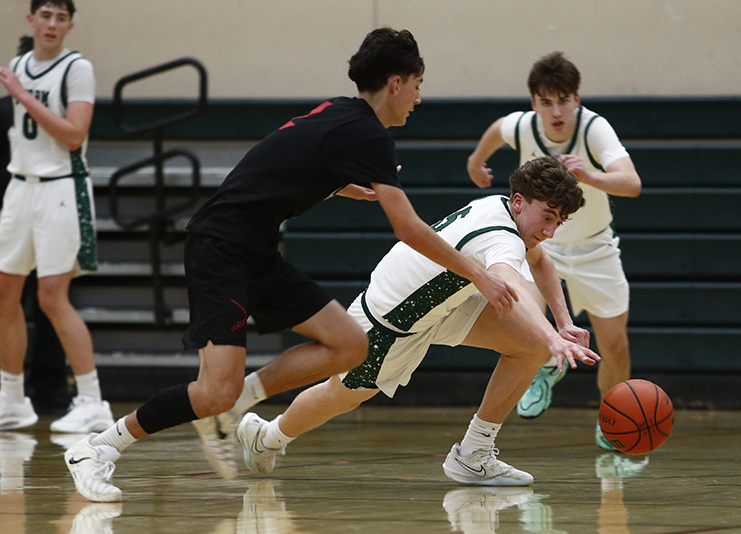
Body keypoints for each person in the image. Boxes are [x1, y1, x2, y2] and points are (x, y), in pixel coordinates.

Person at [64, 27, 518, 503]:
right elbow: (408, 228)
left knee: (349, 345)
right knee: (213, 391)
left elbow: (283, 161)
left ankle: (239, 402)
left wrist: (342, 185)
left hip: (255, 248)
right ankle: (98, 449)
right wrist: (479, 274)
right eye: (418, 85)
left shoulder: (342, 113)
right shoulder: (366, 132)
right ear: (396, 82)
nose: (419, 99)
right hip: (221, 247)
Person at [234, 157, 599, 486]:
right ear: (520, 201)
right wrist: (554, 339)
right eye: (547, 217)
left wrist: (563, 322)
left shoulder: (501, 208)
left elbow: (539, 261)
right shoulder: (501, 238)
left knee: (529, 345)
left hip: (436, 304)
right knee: (339, 397)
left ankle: (473, 455)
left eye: (558, 221)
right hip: (390, 322)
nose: (550, 230)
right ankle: (267, 437)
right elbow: (513, 283)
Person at [466, 51, 642, 449]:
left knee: (615, 346)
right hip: (542, 246)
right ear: (535, 104)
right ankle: (546, 366)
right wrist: (477, 162)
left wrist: (589, 175)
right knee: (526, 318)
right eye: (546, 102)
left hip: (596, 248)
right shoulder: (523, 126)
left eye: (563, 100)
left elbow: (631, 184)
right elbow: (497, 129)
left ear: (576, 100)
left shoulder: (594, 129)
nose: (556, 110)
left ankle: (612, 421)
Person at [0, 0, 113, 432]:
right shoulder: (18, 63)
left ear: (69, 26)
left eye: (60, 18)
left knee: (51, 297)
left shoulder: (76, 68)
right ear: (31, 20)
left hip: (61, 188)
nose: (51, 24)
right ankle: (11, 399)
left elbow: (73, 134)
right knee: (2, 293)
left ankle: (91, 400)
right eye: (45, 15)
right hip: (19, 187)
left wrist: (22, 95)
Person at [0, 36, 70, 417]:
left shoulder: (60, 107)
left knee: (50, 302)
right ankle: (8, 391)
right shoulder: (0, 110)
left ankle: (51, 386)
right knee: (4, 300)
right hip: (10, 210)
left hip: (50, 210)